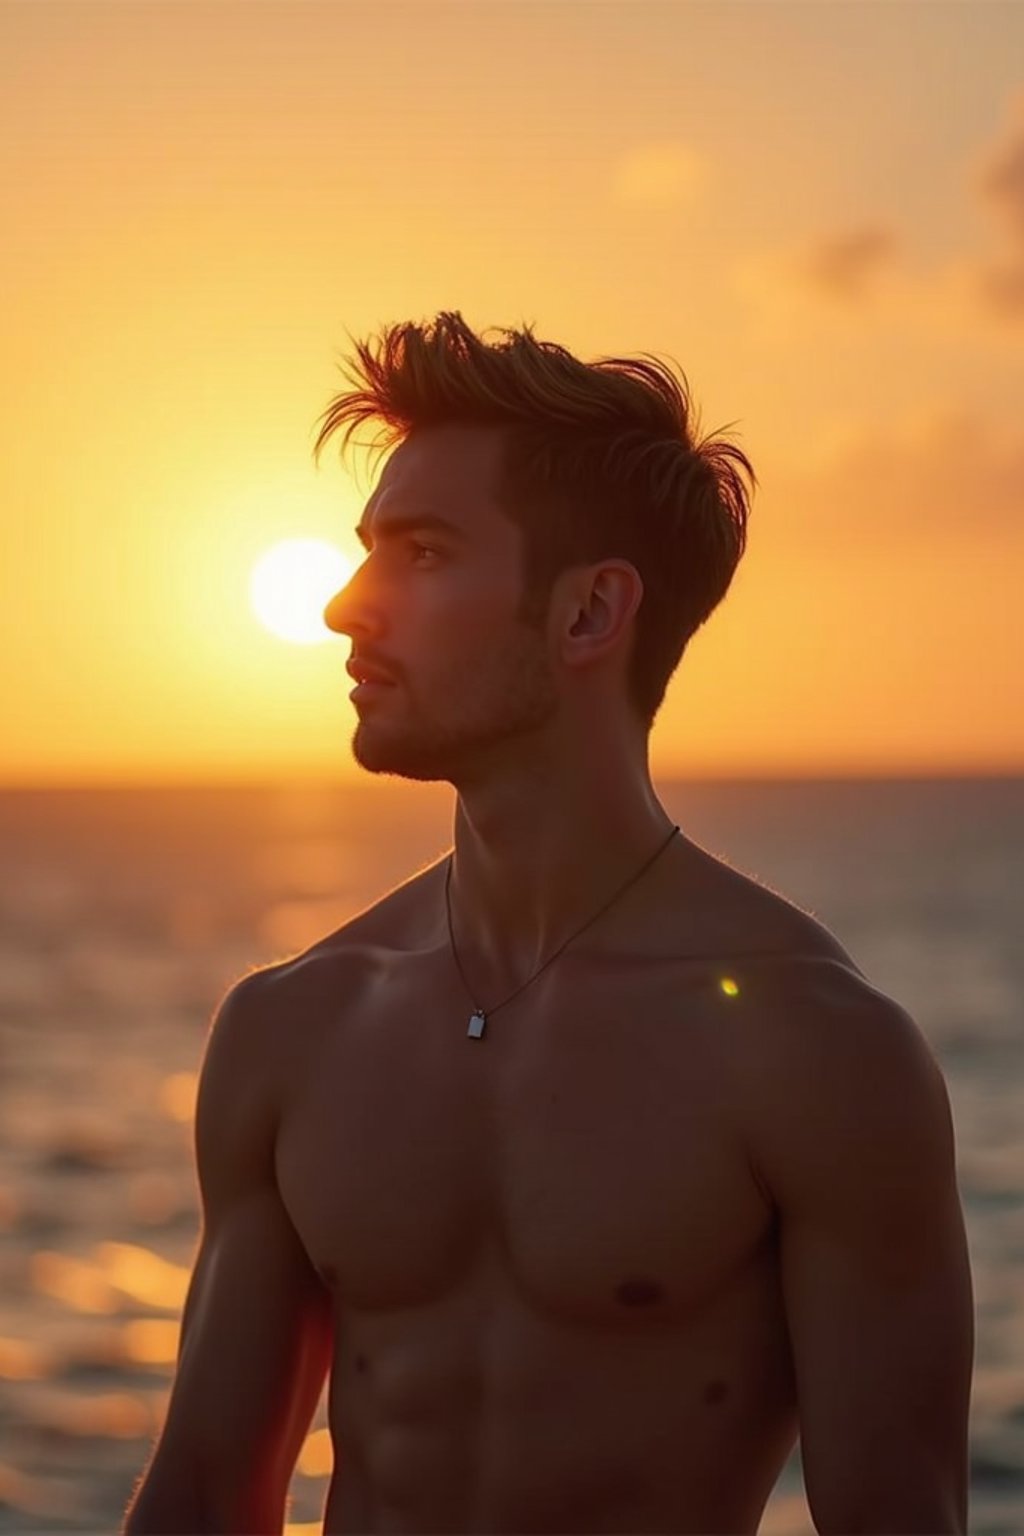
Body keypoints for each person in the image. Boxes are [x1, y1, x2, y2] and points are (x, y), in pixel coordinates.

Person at [123, 311, 974, 1534]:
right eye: (365, 552)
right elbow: (203, 1499)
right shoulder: (290, 1028)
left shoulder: (817, 1053)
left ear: (588, 615)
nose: (344, 609)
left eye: (420, 555)